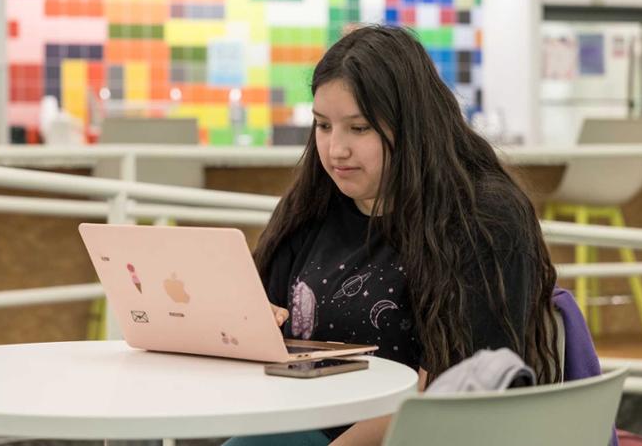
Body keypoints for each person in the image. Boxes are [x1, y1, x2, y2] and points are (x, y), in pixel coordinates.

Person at [224, 25, 560, 446]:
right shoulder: (310, 209)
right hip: (296, 426)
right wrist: (251, 325)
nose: (335, 150)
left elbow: (451, 391)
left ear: (413, 126)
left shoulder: (482, 218)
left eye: (359, 128)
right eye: (323, 126)